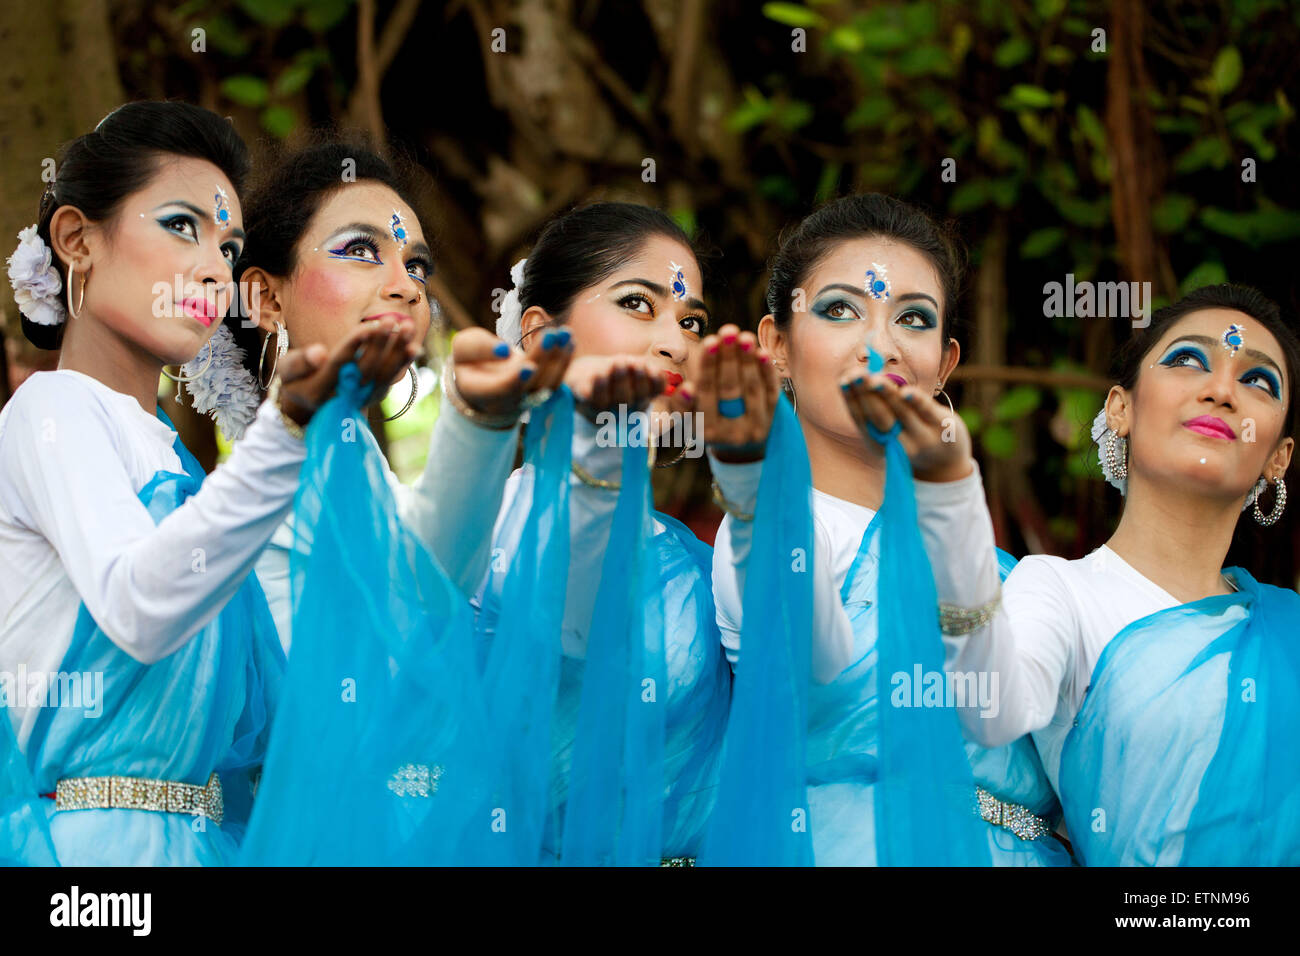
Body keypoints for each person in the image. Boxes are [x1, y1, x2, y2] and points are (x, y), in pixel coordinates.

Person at [0, 101, 413, 866]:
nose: (211, 268)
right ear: (75, 239)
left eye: (228, 246)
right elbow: (137, 604)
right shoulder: (52, 412)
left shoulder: (187, 472)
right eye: (181, 226)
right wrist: (285, 430)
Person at [708, 193, 1069, 865]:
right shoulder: (762, 533)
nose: (881, 344)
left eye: (913, 318)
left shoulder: (1015, 578)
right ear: (776, 345)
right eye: (840, 309)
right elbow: (817, 659)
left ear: (946, 364)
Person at [896, 284, 1299, 865]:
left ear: (1278, 457)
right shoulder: (1057, 592)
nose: (1221, 390)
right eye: (1189, 360)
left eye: (1258, 381)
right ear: (1120, 408)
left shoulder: (1289, 630)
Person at [475, 202, 775, 864]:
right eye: (638, 305)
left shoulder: (701, 560)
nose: (675, 342)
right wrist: (599, 448)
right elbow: (577, 614)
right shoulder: (482, 532)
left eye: (690, 320)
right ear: (539, 337)